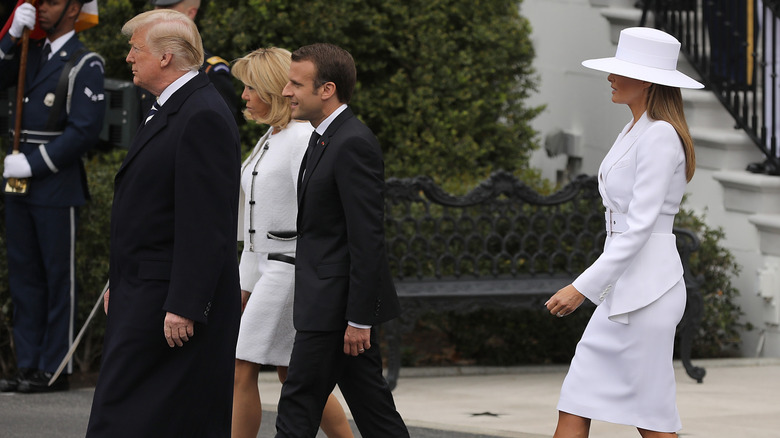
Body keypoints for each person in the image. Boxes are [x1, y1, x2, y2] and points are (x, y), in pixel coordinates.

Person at [85, 9, 241, 437]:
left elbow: (207, 222)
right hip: (147, 288)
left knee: (134, 414)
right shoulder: (173, 105)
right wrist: (121, 281)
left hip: (170, 300)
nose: (129, 58)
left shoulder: (202, 113)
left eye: (136, 50)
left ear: (167, 57)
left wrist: (186, 304)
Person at [544, 27, 704, 438]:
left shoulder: (661, 136)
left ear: (648, 81)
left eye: (622, 70)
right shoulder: (637, 129)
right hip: (626, 286)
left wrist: (582, 287)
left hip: (648, 292)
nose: (610, 77)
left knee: (651, 417)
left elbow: (638, 229)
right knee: (576, 400)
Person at [273, 42, 409, 438]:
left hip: (336, 308)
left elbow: (366, 238)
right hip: (331, 302)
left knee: (298, 404)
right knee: (374, 410)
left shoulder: (352, 142)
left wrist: (359, 319)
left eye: (296, 84)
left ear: (327, 89)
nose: (286, 92)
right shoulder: (323, 137)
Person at [230, 47, 353, 438]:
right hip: (266, 269)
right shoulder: (272, 135)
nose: (244, 96)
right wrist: (245, 283)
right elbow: (255, 226)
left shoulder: (302, 138)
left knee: (241, 365)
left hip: (290, 272)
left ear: (270, 89)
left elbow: (321, 216)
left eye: (251, 87)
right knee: (292, 374)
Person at [0, 0, 105, 393]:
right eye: (40, 2)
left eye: (54, 2)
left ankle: (55, 367)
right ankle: (28, 363)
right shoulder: (31, 51)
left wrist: (34, 163)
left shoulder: (84, 63)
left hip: (54, 183)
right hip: (19, 181)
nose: (43, 9)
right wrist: (10, 39)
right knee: (24, 278)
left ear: (74, 8)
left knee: (58, 278)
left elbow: (83, 131)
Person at [141, 0, 241, 124]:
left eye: (168, 8)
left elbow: (221, 128)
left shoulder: (211, 71)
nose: (157, 13)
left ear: (190, 13)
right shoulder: (146, 63)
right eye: (157, 7)